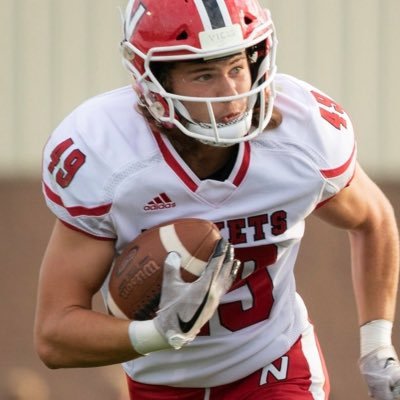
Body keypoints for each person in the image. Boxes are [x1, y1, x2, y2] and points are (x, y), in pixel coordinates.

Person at [34, 0, 400, 399]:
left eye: (237, 68)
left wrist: (377, 345)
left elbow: (373, 220)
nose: (230, 95)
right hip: (162, 384)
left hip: (275, 368)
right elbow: (54, 335)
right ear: (155, 79)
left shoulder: (300, 137)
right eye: (204, 74)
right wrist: (156, 333)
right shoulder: (107, 155)